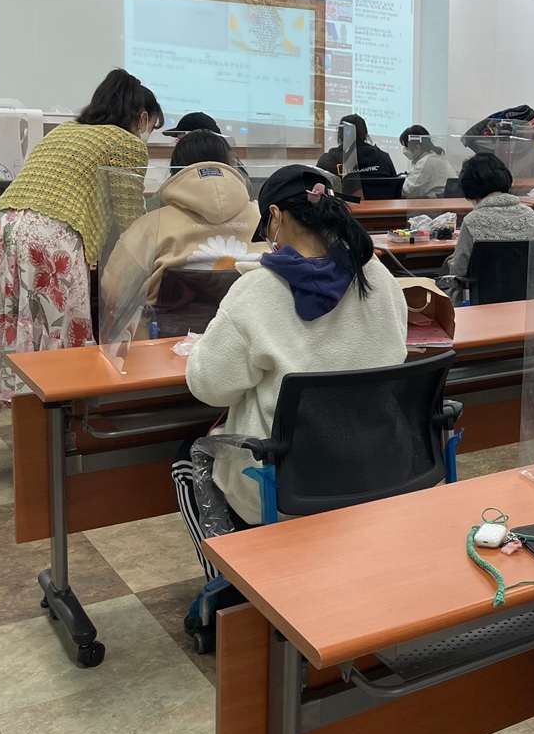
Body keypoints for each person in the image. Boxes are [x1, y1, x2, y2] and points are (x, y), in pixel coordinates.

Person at [173, 165, 407, 573]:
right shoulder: (376, 276)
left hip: (289, 490)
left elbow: (209, 387)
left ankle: (231, 586)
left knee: (186, 460)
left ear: (276, 217)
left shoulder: (256, 290)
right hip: (381, 470)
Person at [0, 69, 162, 411]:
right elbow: (130, 216)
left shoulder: (67, 130)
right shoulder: (125, 143)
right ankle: (54, 414)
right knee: (59, 324)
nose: (146, 135)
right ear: (142, 117)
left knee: (10, 317)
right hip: (50, 231)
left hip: (5, 223)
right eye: (150, 127)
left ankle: (20, 403)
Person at [101, 129, 265, 309]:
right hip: (253, 324)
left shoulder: (151, 225)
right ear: (229, 166)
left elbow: (113, 291)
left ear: (175, 171)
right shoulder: (265, 220)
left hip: (170, 327)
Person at [443, 153, 534, 280]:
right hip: (529, 290)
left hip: (484, 292)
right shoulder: (530, 215)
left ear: (469, 187)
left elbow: (459, 271)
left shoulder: (472, 220)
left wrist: (452, 265)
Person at [317, 113, 396, 184]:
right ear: (365, 134)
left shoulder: (326, 161)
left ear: (340, 135)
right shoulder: (383, 159)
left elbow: (315, 190)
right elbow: (395, 188)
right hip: (379, 196)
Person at [399, 125, 459, 198]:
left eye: (406, 147)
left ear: (417, 148)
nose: (405, 150)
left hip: (440, 203)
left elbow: (407, 191)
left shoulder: (427, 162)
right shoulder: (433, 157)